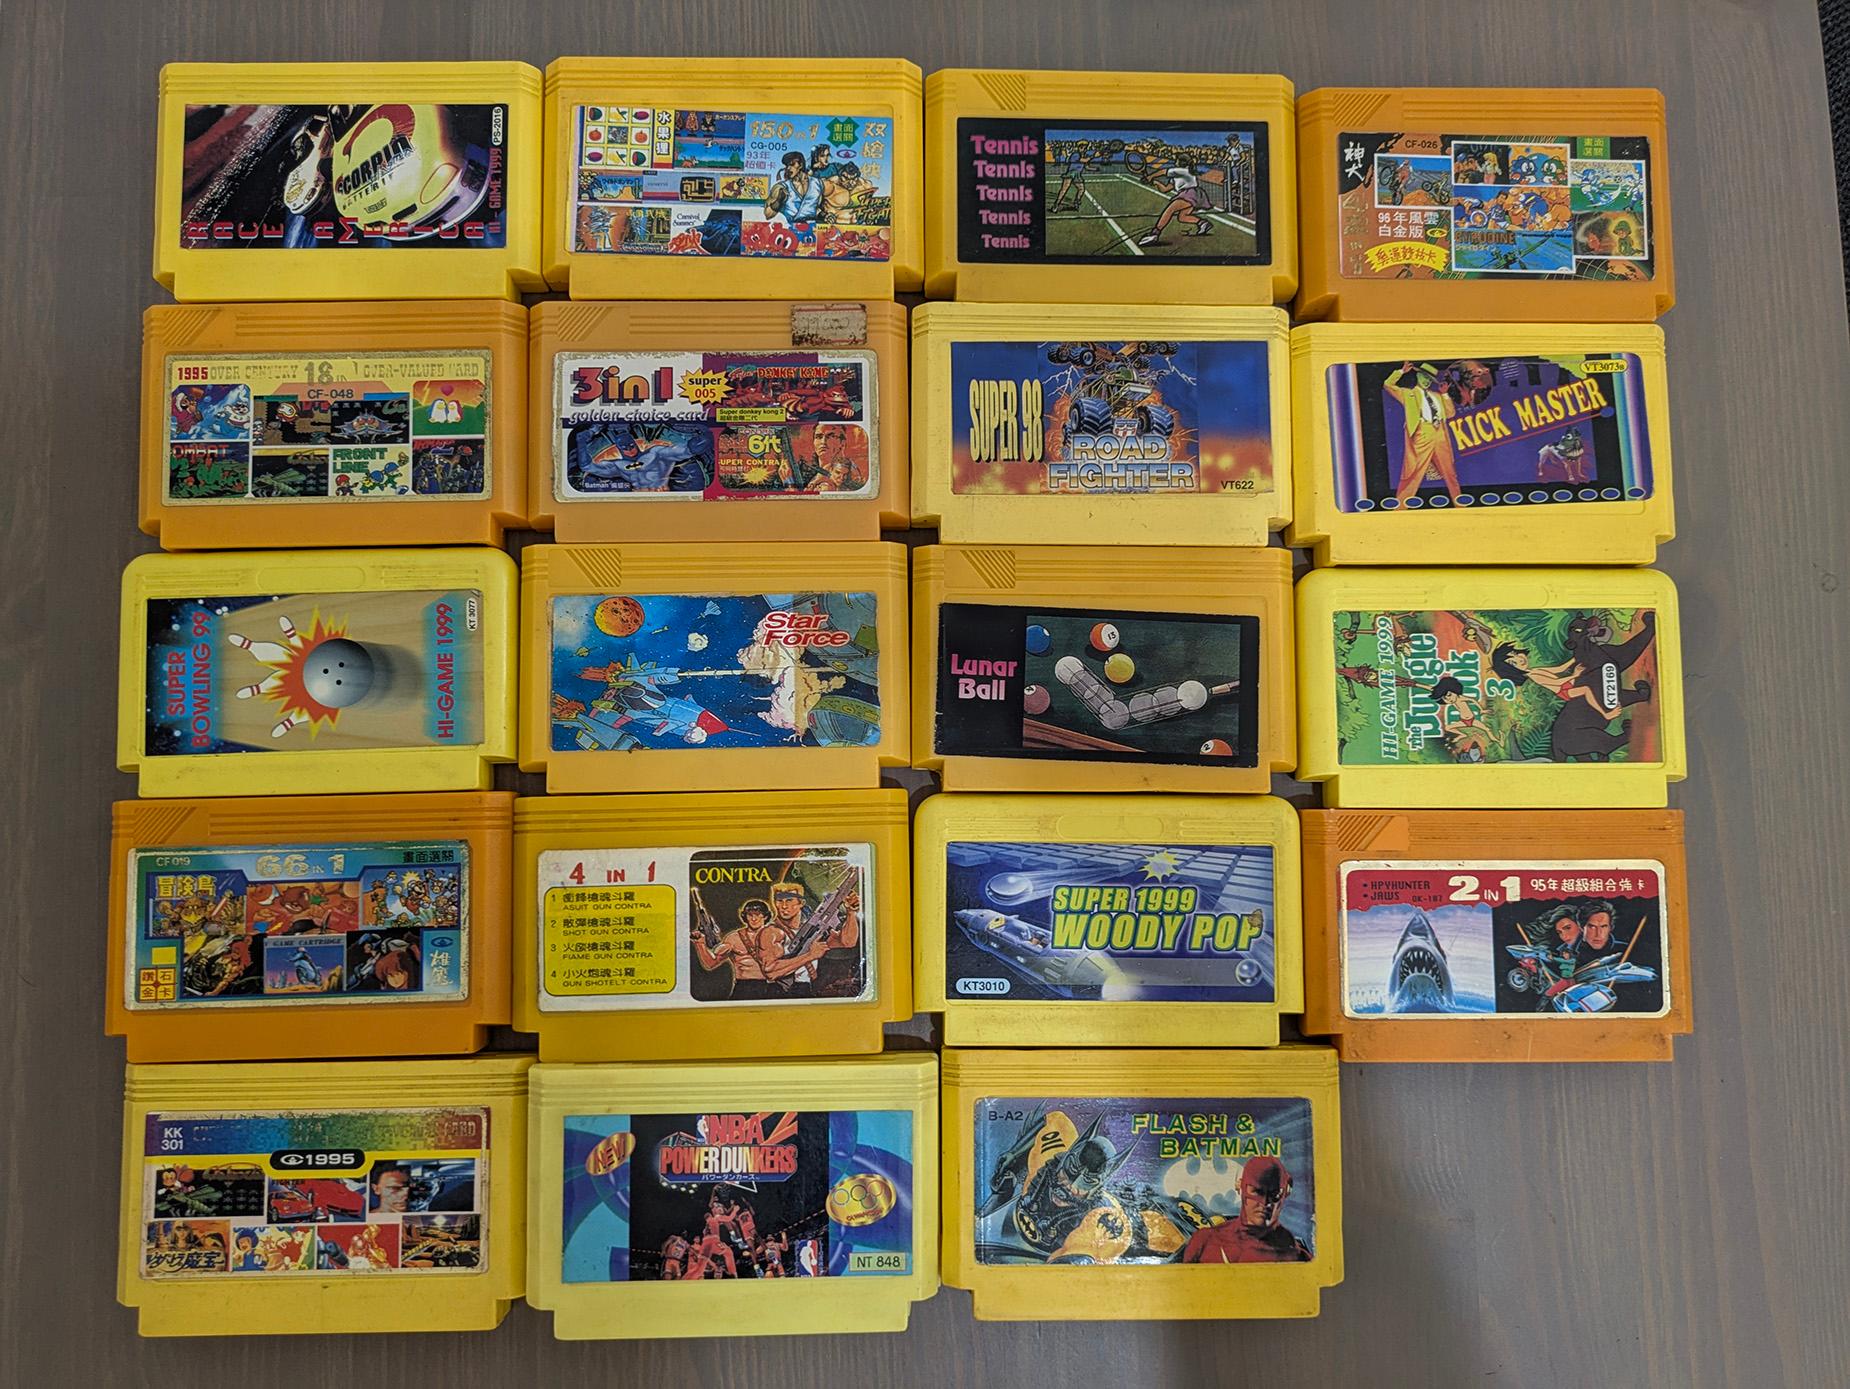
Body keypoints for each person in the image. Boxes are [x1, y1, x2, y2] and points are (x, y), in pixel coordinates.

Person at [1181, 1156, 1311, 1263]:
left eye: (1274, 1194)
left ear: (1285, 1194)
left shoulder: (1296, 1253)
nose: (1265, 1203)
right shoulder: (1205, 1241)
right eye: (1257, 1192)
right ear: (1240, 1187)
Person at [1385, 362, 1462, 502]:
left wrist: (1445, 394)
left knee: (1450, 473)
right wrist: (1401, 372)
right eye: (1424, 377)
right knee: (1413, 472)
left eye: (1429, 379)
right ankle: (1400, 507)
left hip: (1441, 434)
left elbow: (1450, 413)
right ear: (1418, 375)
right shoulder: (1408, 394)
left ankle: (1460, 504)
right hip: (1422, 433)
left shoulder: (1437, 395)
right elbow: (1388, 385)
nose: (1427, 381)